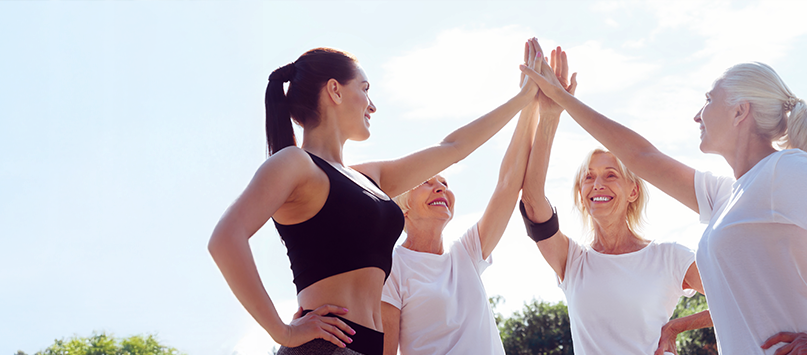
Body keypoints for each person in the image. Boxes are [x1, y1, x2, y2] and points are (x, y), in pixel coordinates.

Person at [520, 58, 807, 355]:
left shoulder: (783, 170)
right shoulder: (727, 196)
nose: (697, 114)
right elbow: (640, 155)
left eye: (708, 101)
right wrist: (564, 102)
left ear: (740, 111)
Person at [209, 41, 545, 355]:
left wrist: (524, 97)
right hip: (326, 346)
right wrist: (283, 332)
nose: (372, 104)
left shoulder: (369, 178)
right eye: (365, 89)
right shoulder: (295, 163)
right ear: (335, 91)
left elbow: (453, 149)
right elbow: (225, 238)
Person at [516, 46, 713, 355]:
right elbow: (531, 199)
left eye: (610, 175)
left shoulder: (670, 258)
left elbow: (737, 297)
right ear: (581, 193)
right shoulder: (572, 262)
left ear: (633, 191)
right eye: (588, 177)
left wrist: (676, 326)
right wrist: (550, 115)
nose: (598, 184)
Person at [378, 57, 542, 355]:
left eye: (444, 182)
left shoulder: (466, 252)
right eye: (426, 182)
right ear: (403, 206)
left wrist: (530, 102)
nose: (440, 186)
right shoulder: (391, 267)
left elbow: (508, 183)